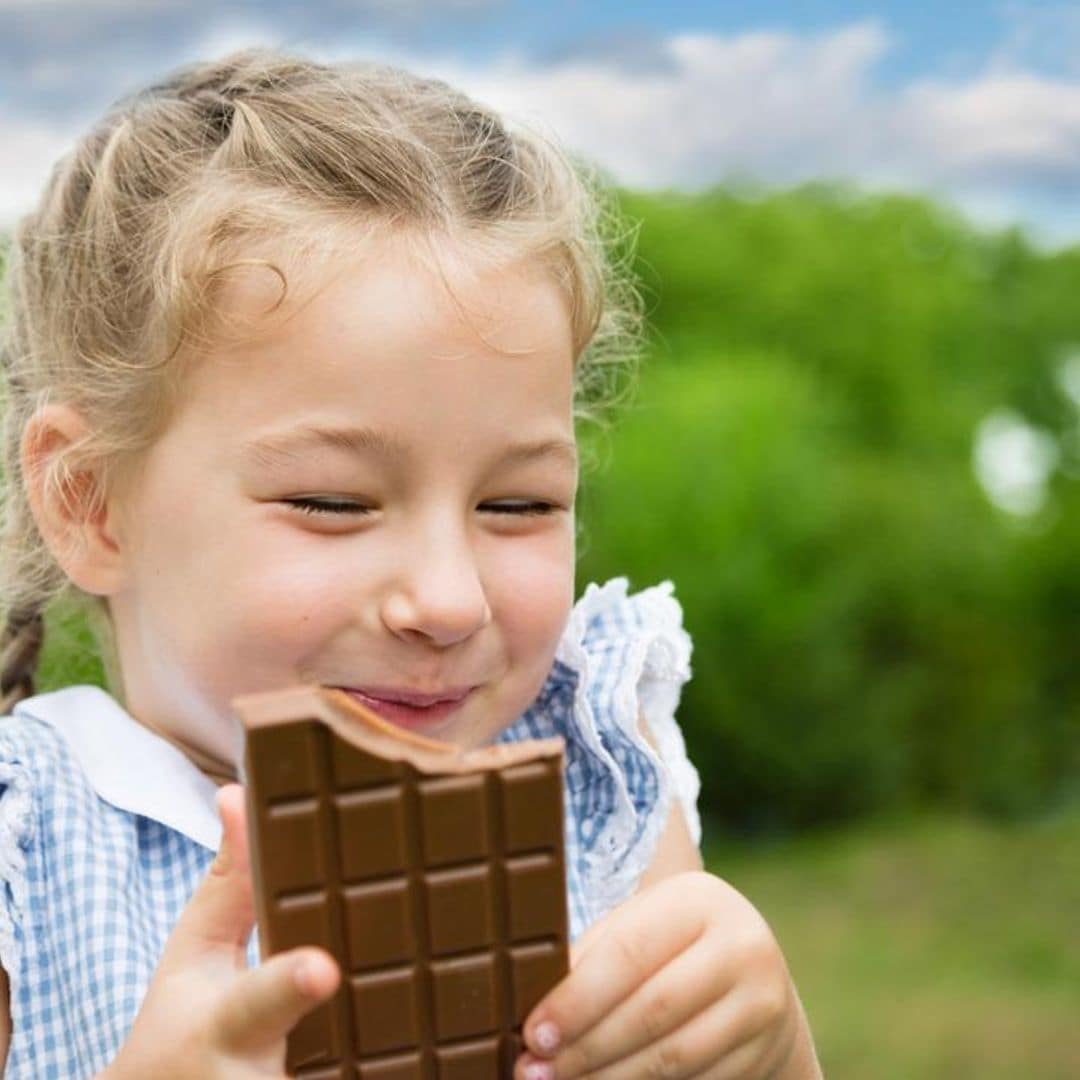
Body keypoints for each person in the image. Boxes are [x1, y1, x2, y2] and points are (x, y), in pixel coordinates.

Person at [0, 49, 821, 1079]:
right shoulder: (25, 858)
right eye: (334, 503)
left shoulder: (597, 773)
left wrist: (777, 1054)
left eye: (516, 503)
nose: (446, 600)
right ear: (91, 503)